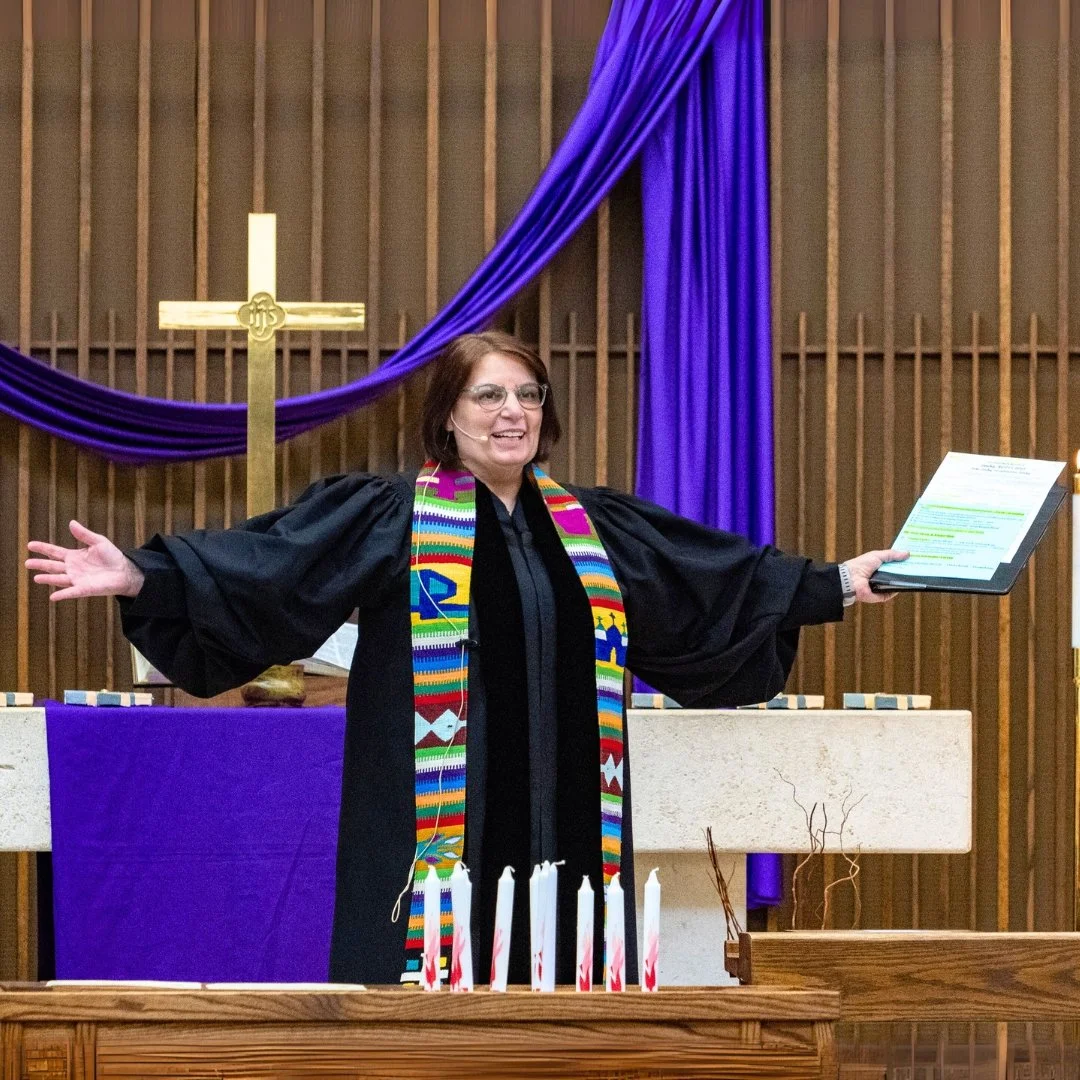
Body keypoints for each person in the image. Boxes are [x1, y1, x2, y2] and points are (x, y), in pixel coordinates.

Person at [27, 330, 905, 987]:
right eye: (488, 396)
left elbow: (710, 584)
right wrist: (142, 574)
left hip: (572, 819)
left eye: (527, 395)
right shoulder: (391, 518)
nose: (511, 412)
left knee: (557, 996)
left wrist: (835, 586)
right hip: (430, 821)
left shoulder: (594, 527)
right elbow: (272, 568)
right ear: (448, 414)